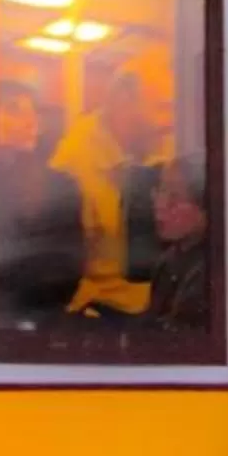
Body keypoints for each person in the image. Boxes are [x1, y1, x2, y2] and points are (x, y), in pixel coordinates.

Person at [53, 51, 171, 313]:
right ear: (123, 101)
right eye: (162, 106)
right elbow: (61, 267)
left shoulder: (161, 145)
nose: (169, 120)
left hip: (159, 302)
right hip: (104, 309)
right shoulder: (75, 163)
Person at [0, 79, 87, 324]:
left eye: (34, 112)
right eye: (13, 109)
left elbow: (68, 264)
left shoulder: (60, 184)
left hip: (41, 320)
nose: (30, 121)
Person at [145, 157, 212, 333]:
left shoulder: (213, 272)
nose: (160, 205)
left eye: (175, 197)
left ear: (206, 207)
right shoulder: (168, 261)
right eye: (160, 192)